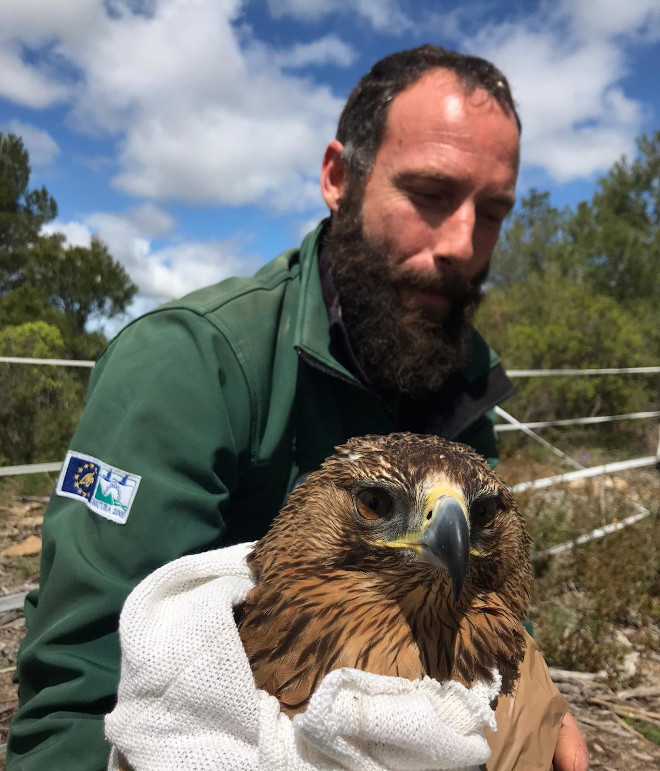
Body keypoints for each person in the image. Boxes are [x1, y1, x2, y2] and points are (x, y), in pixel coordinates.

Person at [8, 46, 588, 771]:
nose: (462, 244)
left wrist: (524, 692)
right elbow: (78, 697)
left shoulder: (459, 366)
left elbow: (489, 590)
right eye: (429, 194)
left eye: (493, 212)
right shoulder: (189, 363)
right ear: (339, 178)